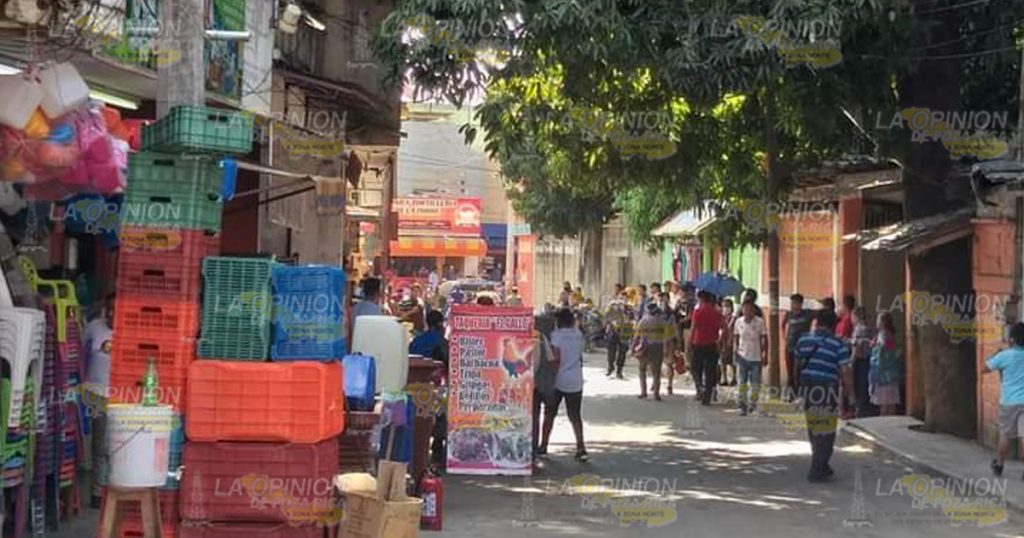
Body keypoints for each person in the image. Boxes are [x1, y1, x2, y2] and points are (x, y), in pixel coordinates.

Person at [795, 310, 853, 482]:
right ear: (833, 325)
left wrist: (797, 385)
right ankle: (818, 466)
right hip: (827, 389)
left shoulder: (804, 339)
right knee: (826, 429)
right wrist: (849, 395)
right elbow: (845, 372)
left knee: (814, 426)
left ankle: (821, 463)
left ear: (817, 322)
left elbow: (796, 364)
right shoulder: (838, 344)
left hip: (808, 387)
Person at [539, 308, 589, 461]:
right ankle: (581, 446)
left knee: (549, 414)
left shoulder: (556, 336)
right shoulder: (579, 335)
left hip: (559, 379)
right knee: (575, 415)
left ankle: (543, 445)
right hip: (576, 378)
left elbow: (556, 359)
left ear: (558, 321)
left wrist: (549, 378)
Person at [84, 293, 114, 507]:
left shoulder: (129, 327)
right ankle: (97, 492)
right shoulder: (94, 327)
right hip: (96, 395)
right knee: (99, 446)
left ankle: (112, 489)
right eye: (109, 308)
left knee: (115, 446)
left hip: (121, 396)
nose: (112, 313)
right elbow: (81, 352)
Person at [409, 311, 450, 464]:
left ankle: (416, 453)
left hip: (415, 387)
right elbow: (449, 364)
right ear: (441, 324)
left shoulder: (416, 341)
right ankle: (437, 453)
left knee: (419, 420)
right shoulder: (442, 342)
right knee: (440, 419)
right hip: (437, 386)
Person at [985, 322, 1024, 478]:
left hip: (1009, 402)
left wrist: (996, 356)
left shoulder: (1004, 355)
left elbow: (984, 369)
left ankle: (999, 465)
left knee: (1005, 435)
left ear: (1012, 339)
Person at [734, 300, 768, 415]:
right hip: (742, 356)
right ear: (743, 310)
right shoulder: (739, 322)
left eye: (750, 309)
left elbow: (764, 338)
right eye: (745, 309)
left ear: (754, 311)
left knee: (755, 384)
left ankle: (752, 404)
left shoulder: (760, 322)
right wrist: (736, 350)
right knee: (742, 382)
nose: (748, 312)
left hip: (756, 358)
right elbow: (736, 336)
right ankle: (742, 405)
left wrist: (765, 354)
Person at [532, 315, 559, 464]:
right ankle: (538, 447)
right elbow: (551, 360)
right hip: (544, 384)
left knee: (533, 417)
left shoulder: (533, 339)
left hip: (531, 386)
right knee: (541, 416)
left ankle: (533, 448)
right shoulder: (545, 338)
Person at [691, 291, 724, 405]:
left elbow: (693, 329)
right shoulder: (717, 313)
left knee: (695, 368)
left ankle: (700, 387)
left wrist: (689, 343)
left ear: (702, 299)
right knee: (710, 370)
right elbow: (725, 329)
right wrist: (720, 341)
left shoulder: (697, 312)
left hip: (699, 344)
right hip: (712, 345)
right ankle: (708, 393)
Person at [633, 302, 670, 400]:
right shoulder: (662, 322)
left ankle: (643, 392)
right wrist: (666, 348)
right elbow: (666, 337)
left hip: (645, 347)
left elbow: (637, 336)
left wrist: (633, 347)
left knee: (642, 370)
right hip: (658, 347)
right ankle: (656, 394)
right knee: (656, 371)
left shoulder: (643, 321)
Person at [869, 311, 903, 416]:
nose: (876, 321)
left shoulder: (883, 334)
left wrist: (879, 354)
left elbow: (883, 347)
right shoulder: (891, 334)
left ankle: (883, 421)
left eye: (878, 319)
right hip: (892, 372)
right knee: (891, 402)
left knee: (884, 403)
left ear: (882, 322)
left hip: (883, 373)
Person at [782, 294, 812, 401]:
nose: (793, 305)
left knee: (799, 372)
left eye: (795, 302)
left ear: (800, 304)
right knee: (790, 373)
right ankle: (791, 395)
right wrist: (785, 337)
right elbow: (783, 326)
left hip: (803, 348)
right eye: (792, 302)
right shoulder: (788, 315)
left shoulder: (807, 314)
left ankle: (801, 395)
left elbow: (820, 314)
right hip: (789, 347)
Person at [849, 306, 875, 418]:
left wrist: (851, 362)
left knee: (860, 387)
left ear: (856, 316)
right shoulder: (870, 328)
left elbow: (856, 348)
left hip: (860, 361)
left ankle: (861, 412)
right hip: (868, 360)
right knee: (865, 386)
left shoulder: (859, 329)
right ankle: (865, 410)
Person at [603, 291, 633, 379]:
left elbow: (633, 318)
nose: (622, 300)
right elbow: (605, 318)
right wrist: (610, 323)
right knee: (611, 350)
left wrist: (626, 311)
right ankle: (610, 366)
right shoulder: (612, 306)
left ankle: (619, 370)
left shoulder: (629, 308)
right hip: (613, 330)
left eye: (624, 299)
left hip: (624, 331)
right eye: (621, 298)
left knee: (622, 352)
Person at [658, 292, 681, 395]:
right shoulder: (655, 312)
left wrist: (678, 342)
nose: (663, 302)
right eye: (661, 300)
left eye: (665, 299)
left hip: (669, 340)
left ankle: (669, 385)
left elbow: (676, 328)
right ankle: (656, 383)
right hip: (656, 340)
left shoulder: (672, 313)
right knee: (655, 363)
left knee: (669, 363)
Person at [719, 298, 737, 386]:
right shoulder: (721, 318)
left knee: (732, 361)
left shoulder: (734, 318)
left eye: (727, 306)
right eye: (723, 306)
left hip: (731, 341)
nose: (725, 308)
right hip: (722, 341)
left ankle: (734, 377)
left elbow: (732, 330)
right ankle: (724, 378)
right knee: (723, 361)